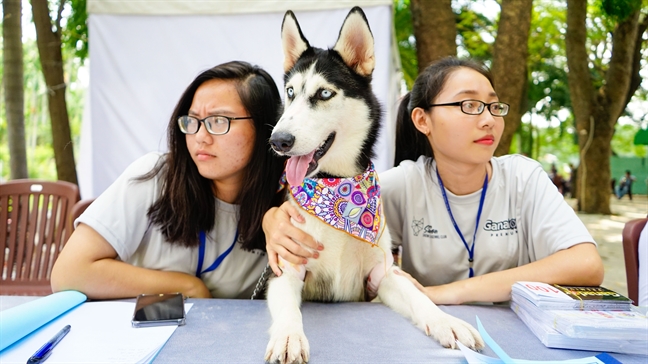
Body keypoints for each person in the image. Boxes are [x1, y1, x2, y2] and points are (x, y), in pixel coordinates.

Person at [263, 57, 604, 305]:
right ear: (422, 120)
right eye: (469, 104)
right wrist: (272, 219)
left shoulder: (524, 178)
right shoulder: (397, 186)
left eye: (493, 106)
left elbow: (586, 265)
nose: (488, 119)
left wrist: (443, 294)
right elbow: (322, 207)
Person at [51, 61, 285, 299]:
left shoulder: (283, 202)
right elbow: (68, 273)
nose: (200, 137)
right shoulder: (155, 176)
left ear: (267, 127)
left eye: (218, 121)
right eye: (193, 121)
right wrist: (188, 287)